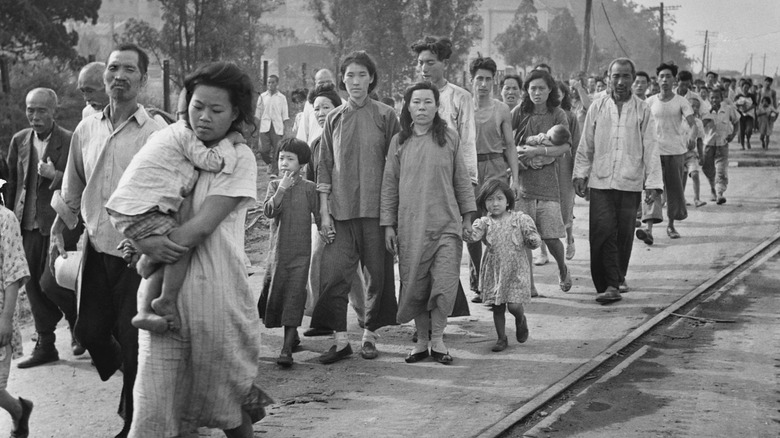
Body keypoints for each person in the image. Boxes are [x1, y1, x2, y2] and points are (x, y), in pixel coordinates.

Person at [129, 61, 271, 437]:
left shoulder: (238, 159)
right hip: (165, 300)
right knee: (155, 408)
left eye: (216, 109)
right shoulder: (173, 143)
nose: (204, 117)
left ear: (236, 113)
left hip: (216, 293)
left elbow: (202, 226)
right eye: (197, 106)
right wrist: (139, 240)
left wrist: (149, 251)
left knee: (224, 400)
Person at [49, 43, 165, 438]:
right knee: (91, 331)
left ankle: (133, 421)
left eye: (129, 69)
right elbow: (73, 184)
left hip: (138, 256)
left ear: (143, 79)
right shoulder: (86, 128)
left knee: (133, 344)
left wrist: (150, 238)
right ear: (105, 76)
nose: (119, 76)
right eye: (114, 68)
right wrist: (58, 227)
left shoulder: (157, 134)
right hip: (97, 250)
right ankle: (135, 383)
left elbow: (170, 194)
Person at [105, 108, 242, 334]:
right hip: (142, 209)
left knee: (164, 253)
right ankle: (166, 297)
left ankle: (144, 309)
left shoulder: (161, 136)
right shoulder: (185, 133)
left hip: (125, 208)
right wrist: (229, 140)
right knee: (181, 245)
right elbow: (213, 161)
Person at [312, 51, 399, 364]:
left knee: (378, 275)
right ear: (342, 79)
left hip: (377, 213)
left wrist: (391, 220)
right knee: (335, 274)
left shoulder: (387, 115)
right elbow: (324, 166)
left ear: (372, 78)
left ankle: (370, 334)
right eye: (350, 75)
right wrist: (324, 212)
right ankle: (339, 339)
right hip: (341, 212)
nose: (356, 81)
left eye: (362, 74)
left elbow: (395, 167)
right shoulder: (334, 117)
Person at [380, 82, 475, 365]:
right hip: (411, 227)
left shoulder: (449, 137)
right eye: (416, 102)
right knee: (415, 284)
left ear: (437, 106)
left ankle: (438, 340)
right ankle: (422, 342)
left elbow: (462, 179)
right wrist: (388, 225)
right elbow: (389, 185)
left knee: (444, 283)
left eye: (427, 102)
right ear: (408, 106)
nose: (422, 108)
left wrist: (467, 217)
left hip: (446, 224)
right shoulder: (399, 141)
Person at [573, 57, 663, 304]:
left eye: (626, 76)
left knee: (623, 234)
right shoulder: (598, 106)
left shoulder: (642, 109)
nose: (621, 81)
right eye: (616, 76)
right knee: (602, 231)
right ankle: (609, 284)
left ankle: (616, 279)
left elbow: (651, 147)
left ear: (634, 79)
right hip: (601, 181)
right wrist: (580, 173)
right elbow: (586, 143)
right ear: (608, 78)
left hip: (629, 181)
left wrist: (653, 184)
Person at [6, 88, 85, 368]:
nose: (35, 116)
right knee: (33, 285)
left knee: (53, 282)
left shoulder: (71, 139)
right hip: (25, 225)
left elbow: (82, 182)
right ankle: (46, 343)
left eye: (41, 110)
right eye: (30, 110)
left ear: (54, 112)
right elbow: (12, 182)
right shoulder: (20, 141)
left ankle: (78, 325)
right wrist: (8, 217)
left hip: (58, 226)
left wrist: (56, 175)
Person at [411, 36, 478, 309]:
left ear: (444, 63)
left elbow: (468, 142)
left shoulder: (460, 97)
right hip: (420, 185)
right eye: (420, 63)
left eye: (430, 62)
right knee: (420, 249)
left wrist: (469, 186)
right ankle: (423, 311)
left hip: (450, 183)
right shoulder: (414, 96)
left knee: (447, 249)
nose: (424, 68)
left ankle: (444, 308)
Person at [511, 69, 572, 296]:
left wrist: (540, 150)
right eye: (532, 88)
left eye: (542, 88)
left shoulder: (557, 114)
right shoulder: (519, 112)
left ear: (550, 91)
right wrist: (520, 156)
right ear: (527, 90)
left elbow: (565, 146)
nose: (537, 93)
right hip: (523, 182)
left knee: (550, 235)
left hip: (548, 183)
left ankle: (563, 267)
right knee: (524, 236)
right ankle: (530, 286)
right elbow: (506, 140)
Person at [260, 138, 319, 367]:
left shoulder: (309, 188)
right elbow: (268, 212)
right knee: (278, 292)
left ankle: (286, 348)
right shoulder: (275, 185)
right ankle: (291, 337)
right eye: (281, 157)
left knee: (295, 294)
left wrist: (326, 229)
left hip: (301, 254)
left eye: (290, 159)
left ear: (302, 164)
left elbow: (320, 214)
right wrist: (281, 190)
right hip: (277, 254)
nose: (284, 162)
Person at [468, 55, 521, 303]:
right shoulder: (464, 105)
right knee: (472, 225)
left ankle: (497, 283)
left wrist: (516, 180)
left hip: (495, 168)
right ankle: (478, 280)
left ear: (494, 81)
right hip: (469, 171)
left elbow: (510, 145)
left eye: (488, 79)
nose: (483, 84)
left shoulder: (501, 109)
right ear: (471, 80)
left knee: (496, 226)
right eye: (479, 78)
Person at [467, 180, 540, 352]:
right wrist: (466, 233)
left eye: (499, 199)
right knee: (497, 306)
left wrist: (533, 240)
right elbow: (473, 237)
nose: (495, 203)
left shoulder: (520, 219)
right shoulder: (484, 222)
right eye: (490, 200)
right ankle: (501, 338)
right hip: (494, 270)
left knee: (514, 305)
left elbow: (533, 238)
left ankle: (520, 319)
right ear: (484, 202)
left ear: (508, 201)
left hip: (516, 268)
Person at [639, 62, 695, 241]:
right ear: (657, 80)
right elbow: (640, 125)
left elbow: (692, 123)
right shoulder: (650, 102)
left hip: (675, 152)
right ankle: (648, 230)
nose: (664, 80)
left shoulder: (681, 101)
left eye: (668, 76)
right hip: (654, 153)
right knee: (651, 189)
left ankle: (671, 226)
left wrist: (692, 136)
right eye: (661, 76)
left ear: (674, 80)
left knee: (673, 190)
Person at [0, 205, 33, 438]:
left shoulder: (6, 219)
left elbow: (13, 274)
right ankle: (20, 410)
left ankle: (20, 411)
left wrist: (5, 319)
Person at [701, 86, 739, 205]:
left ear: (721, 98)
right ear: (709, 98)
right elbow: (699, 126)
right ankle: (712, 187)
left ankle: (719, 193)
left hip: (722, 144)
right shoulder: (705, 109)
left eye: (717, 98)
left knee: (721, 170)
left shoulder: (728, 109)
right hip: (708, 144)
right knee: (708, 169)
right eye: (712, 98)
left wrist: (733, 135)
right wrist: (708, 114)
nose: (714, 100)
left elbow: (737, 121)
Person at [255, 74, 288, 176]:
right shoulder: (262, 97)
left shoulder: (281, 97)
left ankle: (274, 171)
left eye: (273, 82)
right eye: (269, 82)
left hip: (277, 126)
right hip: (264, 126)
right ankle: (270, 163)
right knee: (263, 150)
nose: (270, 84)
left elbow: (285, 114)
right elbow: (258, 113)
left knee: (277, 149)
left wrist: (285, 129)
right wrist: (255, 128)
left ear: (277, 84)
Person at [296, 69, 337, 144]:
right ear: (315, 84)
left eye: (328, 82)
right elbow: (303, 131)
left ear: (333, 83)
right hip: (313, 150)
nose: (324, 85)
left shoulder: (342, 103)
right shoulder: (309, 104)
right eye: (321, 83)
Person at [681, 95, 707, 208]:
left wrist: (701, 155)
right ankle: (681, 198)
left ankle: (697, 199)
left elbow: (700, 140)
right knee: (682, 177)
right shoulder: (679, 120)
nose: (694, 109)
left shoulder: (698, 123)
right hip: (679, 153)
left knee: (695, 174)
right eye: (692, 106)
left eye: (697, 107)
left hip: (692, 154)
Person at [734, 78, 757, 150]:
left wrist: (747, 109)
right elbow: (734, 105)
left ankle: (748, 140)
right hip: (740, 116)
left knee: (749, 130)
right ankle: (742, 145)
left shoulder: (752, 96)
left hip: (749, 116)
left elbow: (755, 105)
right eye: (744, 87)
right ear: (741, 87)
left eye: (747, 87)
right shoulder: (738, 96)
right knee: (741, 131)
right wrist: (740, 106)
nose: (746, 89)